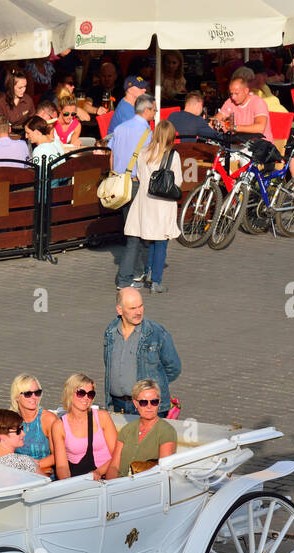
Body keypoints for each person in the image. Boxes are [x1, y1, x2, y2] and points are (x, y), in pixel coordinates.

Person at [122, 119, 182, 294]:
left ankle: (147, 273)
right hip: (163, 204)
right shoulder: (173, 155)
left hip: (145, 201)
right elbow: (177, 181)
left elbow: (140, 176)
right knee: (161, 243)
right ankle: (156, 281)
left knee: (149, 240)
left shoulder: (142, 152)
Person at [103, 288, 182, 414]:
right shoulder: (111, 331)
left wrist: (155, 385)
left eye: (140, 306)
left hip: (147, 406)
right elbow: (109, 363)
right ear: (120, 310)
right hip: (118, 405)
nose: (139, 312)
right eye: (133, 308)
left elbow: (174, 367)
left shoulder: (156, 333)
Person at [109, 95, 155, 290]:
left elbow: (111, 156)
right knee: (135, 234)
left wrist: (114, 175)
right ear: (146, 111)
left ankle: (137, 270)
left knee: (132, 229)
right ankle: (126, 278)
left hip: (119, 182)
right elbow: (149, 162)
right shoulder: (146, 132)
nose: (155, 113)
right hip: (136, 183)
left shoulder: (120, 128)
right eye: (154, 110)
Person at [52, 374, 118, 480]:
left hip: (105, 476)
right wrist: (67, 485)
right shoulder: (59, 426)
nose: (86, 398)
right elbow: (61, 466)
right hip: (78, 479)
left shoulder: (102, 417)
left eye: (90, 394)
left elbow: (117, 454)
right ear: (69, 393)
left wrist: (98, 472)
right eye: (81, 393)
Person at [111, 379, 178, 477]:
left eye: (154, 402)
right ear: (135, 404)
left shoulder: (166, 431)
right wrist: (110, 487)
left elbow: (163, 471)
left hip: (145, 487)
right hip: (117, 485)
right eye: (143, 402)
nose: (149, 406)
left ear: (159, 402)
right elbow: (114, 466)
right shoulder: (127, 430)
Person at [11, 374, 57, 474]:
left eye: (37, 392)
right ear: (17, 397)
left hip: (45, 476)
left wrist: (33, 465)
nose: (34, 397)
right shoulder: (11, 420)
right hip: (18, 476)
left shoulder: (48, 419)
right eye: (28, 393)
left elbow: (58, 455)